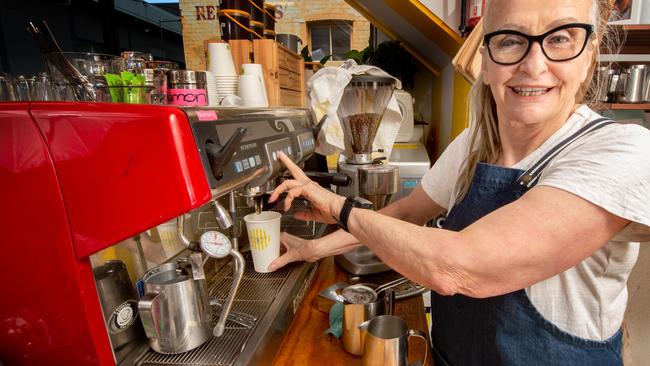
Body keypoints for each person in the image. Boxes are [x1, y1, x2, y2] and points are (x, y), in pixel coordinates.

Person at [268, 0, 650, 364]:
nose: (534, 65)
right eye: (511, 39)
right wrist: (312, 249)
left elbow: (461, 267)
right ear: (485, 58)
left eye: (561, 38)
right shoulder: (474, 144)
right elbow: (404, 213)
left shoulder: (621, 149)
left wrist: (339, 207)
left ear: (589, 56)